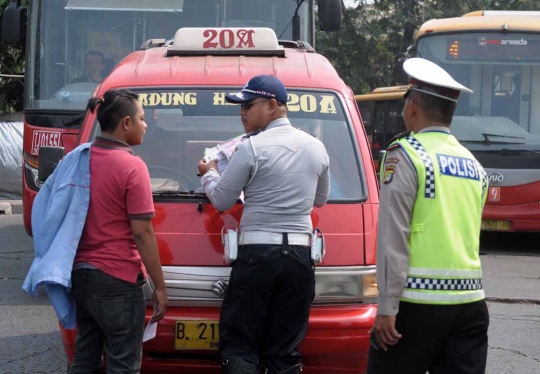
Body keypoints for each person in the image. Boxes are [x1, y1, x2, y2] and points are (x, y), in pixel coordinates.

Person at [197, 75, 330, 374]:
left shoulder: (252, 148)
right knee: (284, 351)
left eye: (248, 105)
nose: (241, 112)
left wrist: (209, 173)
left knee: (241, 344)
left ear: (272, 105)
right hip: (299, 256)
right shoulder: (316, 147)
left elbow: (220, 200)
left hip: (257, 254)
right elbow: (320, 199)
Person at [367, 58, 489, 374]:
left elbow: (393, 236)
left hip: (416, 304)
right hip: (470, 304)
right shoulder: (474, 165)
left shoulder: (406, 155)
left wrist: (386, 306)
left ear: (414, 107)